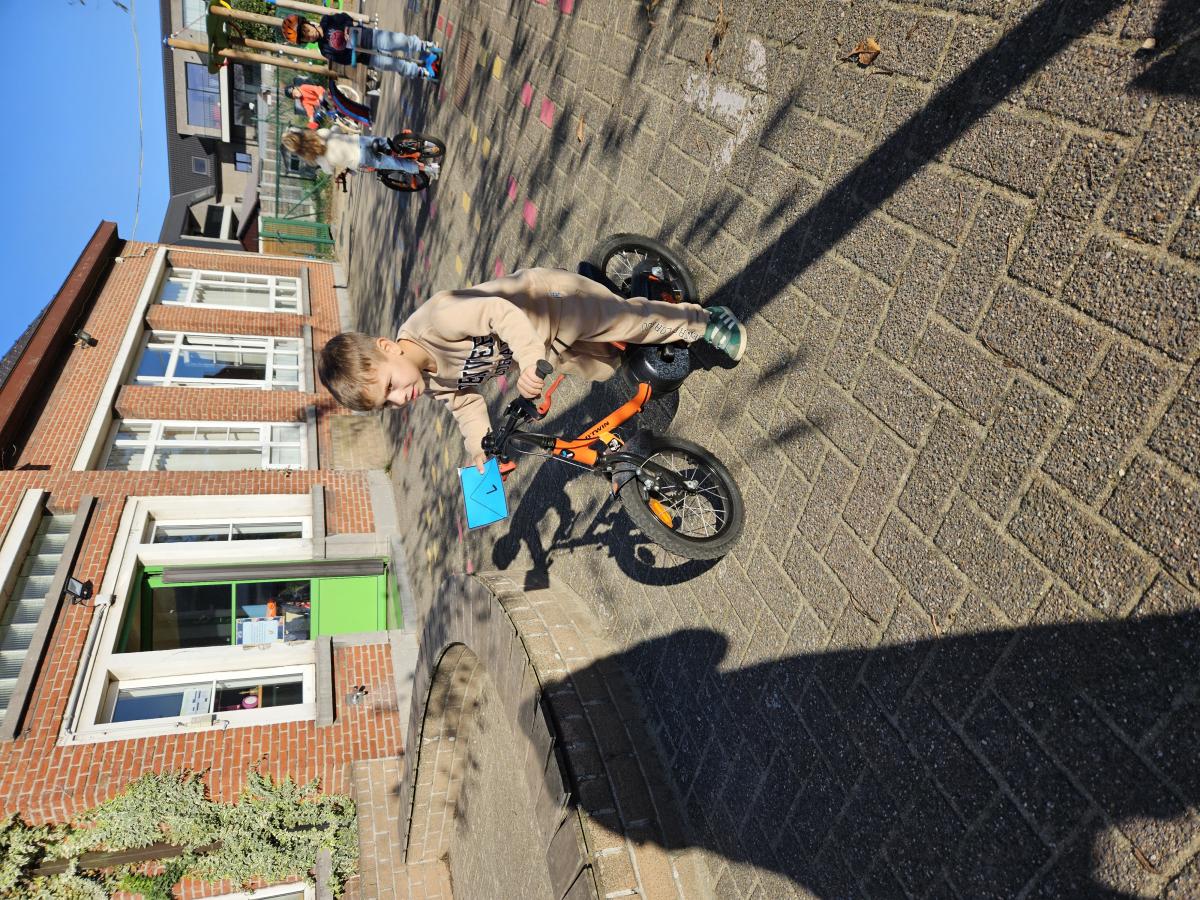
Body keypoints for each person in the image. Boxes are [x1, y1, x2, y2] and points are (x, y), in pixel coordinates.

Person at [317, 268, 748, 470]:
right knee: (607, 367)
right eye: (388, 403)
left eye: (390, 385)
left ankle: (704, 321)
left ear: (388, 347)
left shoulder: (440, 318)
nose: (400, 397)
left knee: (627, 322)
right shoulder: (427, 381)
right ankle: (646, 294)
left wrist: (526, 361)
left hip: (550, 304)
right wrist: (481, 449)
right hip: (544, 352)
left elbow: (500, 313)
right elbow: (463, 403)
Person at [281, 13, 441, 81]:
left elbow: (345, 17)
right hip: (366, 57)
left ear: (308, 23)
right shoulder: (324, 49)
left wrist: (347, 28)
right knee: (395, 65)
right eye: (305, 37)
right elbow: (343, 60)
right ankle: (422, 72)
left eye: (306, 30)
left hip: (369, 37)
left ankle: (425, 46)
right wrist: (352, 53)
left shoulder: (327, 21)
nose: (309, 35)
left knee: (400, 41)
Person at [281, 128, 435, 180]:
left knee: (395, 164)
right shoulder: (320, 133)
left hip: (360, 158)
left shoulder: (319, 160)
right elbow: (335, 129)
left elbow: (329, 171)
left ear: (300, 152)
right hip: (360, 141)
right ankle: (423, 144)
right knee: (389, 143)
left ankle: (430, 169)